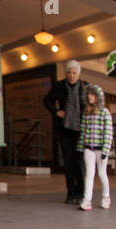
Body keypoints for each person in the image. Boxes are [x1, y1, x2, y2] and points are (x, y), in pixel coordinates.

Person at [42, 60, 88, 204]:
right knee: (68, 163)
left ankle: (81, 193)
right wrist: (56, 112)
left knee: (79, 162)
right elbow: (47, 100)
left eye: (74, 73)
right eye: (69, 72)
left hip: (80, 130)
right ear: (66, 73)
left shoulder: (85, 87)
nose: (71, 75)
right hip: (65, 129)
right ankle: (71, 193)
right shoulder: (59, 86)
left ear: (78, 74)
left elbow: (90, 105)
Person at [78, 84, 113, 212]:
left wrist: (105, 150)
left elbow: (108, 133)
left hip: (100, 149)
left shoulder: (105, 113)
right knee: (89, 174)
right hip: (88, 148)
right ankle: (87, 200)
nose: (89, 96)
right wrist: (81, 148)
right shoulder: (86, 113)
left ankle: (106, 198)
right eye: (88, 94)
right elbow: (83, 131)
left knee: (102, 174)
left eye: (92, 94)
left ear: (98, 97)